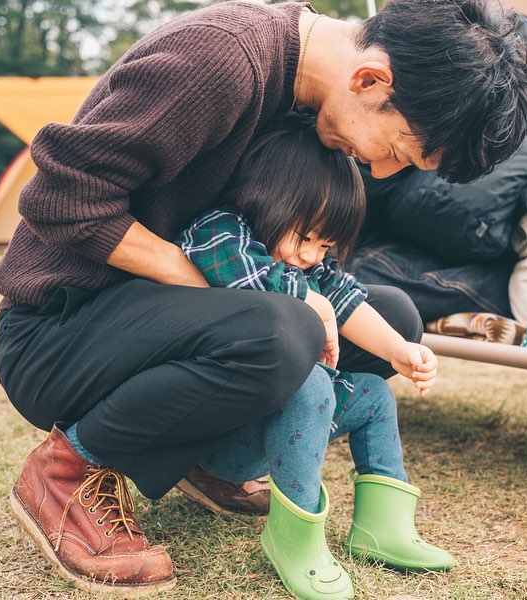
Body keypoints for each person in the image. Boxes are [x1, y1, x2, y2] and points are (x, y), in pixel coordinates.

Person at [0, 0, 527, 595]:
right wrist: (265, 299)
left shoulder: (309, 101)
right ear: (370, 80)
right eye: (398, 150)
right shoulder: (220, 60)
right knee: (284, 329)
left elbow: (308, 271)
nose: (382, 172)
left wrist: (292, 297)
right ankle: (66, 471)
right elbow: (60, 197)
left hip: (162, 332)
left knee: (393, 319)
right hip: (58, 334)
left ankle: (204, 456)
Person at [177, 111, 453, 599]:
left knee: (371, 395)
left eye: (324, 245)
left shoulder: (307, 262)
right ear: (264, 201)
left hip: (276, 425)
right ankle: (295, 538)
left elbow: (347, 298)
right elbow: (247, 283)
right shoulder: (222, 230)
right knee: (312, 381)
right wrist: (314, 305)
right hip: (212, 434)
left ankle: (381, 527)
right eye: (304, 237)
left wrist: (400, 349)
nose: (310, 256)